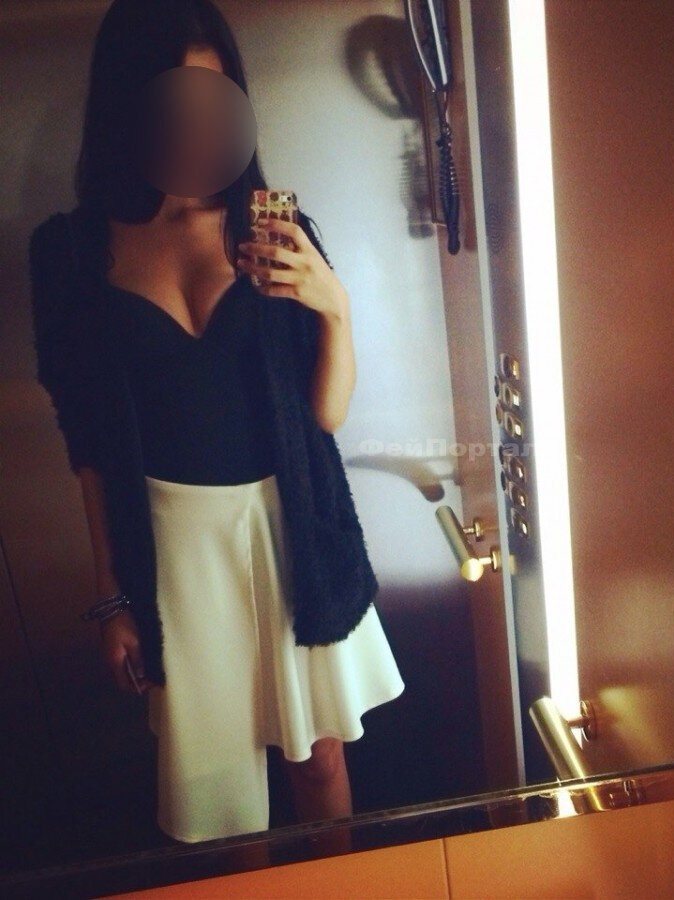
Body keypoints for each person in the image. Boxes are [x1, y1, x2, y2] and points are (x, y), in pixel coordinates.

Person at [27, 0, 404, 845]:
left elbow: (324, 415)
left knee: (321, 759)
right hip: (172, 545)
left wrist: (335, 308)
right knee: (219, 793)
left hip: (289, 526)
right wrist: (112, 595)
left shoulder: (272, 228)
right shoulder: (71, 252)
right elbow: (87, 441)